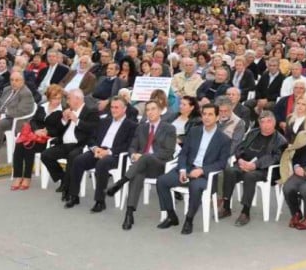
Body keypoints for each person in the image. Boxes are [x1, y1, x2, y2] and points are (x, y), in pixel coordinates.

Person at [155, 103, 230, 234]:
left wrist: (202, 170)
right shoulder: (194, 131)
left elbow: (222, 163)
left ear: (217, 117)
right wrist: (183, 169)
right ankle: (172, 216)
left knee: (195, 187)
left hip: (205, 174)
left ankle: (189, 220)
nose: (206, 117)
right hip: (188, 168)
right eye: (204, 114)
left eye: (210, 114)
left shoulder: (223, 139)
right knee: (161, 181)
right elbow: (183, 153)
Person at [105, 100, 177, 231]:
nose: (150, 112)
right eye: (148, 110)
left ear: (160, 111)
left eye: (153, 109)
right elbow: (132, 146)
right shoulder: (141, 127)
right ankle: (129, 214)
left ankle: (120, 182)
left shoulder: (169, 128)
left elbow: (168, 152)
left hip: (160, 166)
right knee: (138, 174)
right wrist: (133, 155)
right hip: (141, 166)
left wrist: (143, 157)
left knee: (145, 157)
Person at [65, 96, 137, 211]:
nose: (113, 110)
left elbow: (128, 145)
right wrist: (95, 149)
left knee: (102, 164)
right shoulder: (104, 121)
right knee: (78, 160)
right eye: (112, 107)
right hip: (98, 150)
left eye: (117, 107)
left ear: (124, 109)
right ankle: (74, 196)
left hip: (115, 155)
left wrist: (108, 152)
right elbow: (92, 138)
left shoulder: (131, 125)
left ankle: (100, 201)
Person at [219, 110, 287, 226]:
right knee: (229, 170)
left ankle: (245, 211)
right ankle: (226, 206)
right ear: (259, 123)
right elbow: (240, 147)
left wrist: (255, 165)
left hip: (264, 170)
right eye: (262, 122)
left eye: (269, 122)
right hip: (244, 164)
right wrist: (240, 159)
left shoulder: (280, 140)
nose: (265, 125)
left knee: (249, 176)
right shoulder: (253, 133)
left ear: (274, 123)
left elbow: (275, 158)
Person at [39, 89, 100, 198]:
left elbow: (93, 129)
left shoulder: (91, 111)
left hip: (80, 145)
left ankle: (68, 188)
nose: (67, 102)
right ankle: (63, 178)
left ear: (77, 99)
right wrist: (63, 120)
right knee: (45, 155)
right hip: (64, 144)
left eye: (69, 99)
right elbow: (58, 131)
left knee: (73, 156)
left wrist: (77, 121)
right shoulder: (68, 110)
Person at [11, 84, 65, 191]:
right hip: (35, 135)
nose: (57, 101)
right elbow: (33, 121)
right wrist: (36, 130)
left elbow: (60, 130)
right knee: (19, 144)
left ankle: (27, 177)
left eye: (59, 98)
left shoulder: (62, 111)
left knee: (29, 146)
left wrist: (46, 132)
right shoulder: (42, 107)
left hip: (47, 139)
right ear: (49, 98)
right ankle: (17, 176)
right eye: (55, 98)